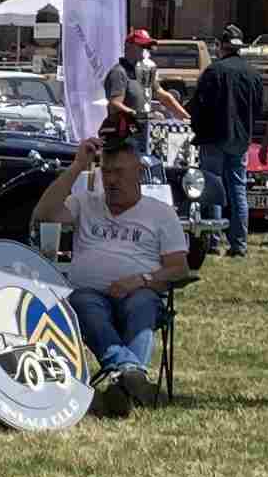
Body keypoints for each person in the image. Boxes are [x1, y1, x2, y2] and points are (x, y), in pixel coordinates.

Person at [30, 112, 190, 420]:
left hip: (139, 293)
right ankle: (130, 373)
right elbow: (44, 213)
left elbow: (178, 269)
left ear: (139, 172)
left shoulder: (161, 213)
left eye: (119, 172)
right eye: (107, 172)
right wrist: (77, 166)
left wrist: (140, 280)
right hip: (88, 294)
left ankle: (122, 380)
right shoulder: (86, 202)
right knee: (83, 304)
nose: (112, 180)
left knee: (142, 303)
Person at [187, 30, 262, 258]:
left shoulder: (213, 71)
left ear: (221, 46)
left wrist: (197, 128)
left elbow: (199, 105)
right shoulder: (252, 73)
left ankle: (213, 240)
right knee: (238, 189)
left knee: (213, 187)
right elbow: (258, 107)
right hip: (240, 139)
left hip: (213, 138)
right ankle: (239, 243)